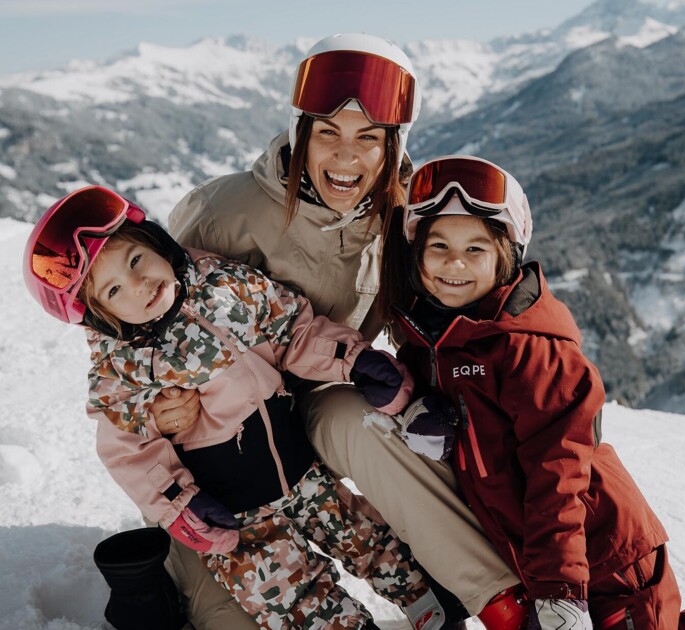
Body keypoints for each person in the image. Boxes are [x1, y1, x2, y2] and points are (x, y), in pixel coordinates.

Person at [164, 33, 520, 628]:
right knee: (225, 617)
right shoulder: (225, 213)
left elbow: (459, 298)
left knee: (362, 421)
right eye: (328, 132)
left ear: (392, 146)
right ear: (302, 134)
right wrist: (165, 403)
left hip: (319, 399)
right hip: (223, 438)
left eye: (368, 138)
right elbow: (137, 321)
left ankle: (495, 596)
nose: (345, 157)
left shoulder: (400, 221)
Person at [390, 154, 685, 630]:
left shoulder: (535, 352)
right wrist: (427, 407)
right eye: (439, 246)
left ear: (505, 257)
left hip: (606, 555)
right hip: (539, 557)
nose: (455, 263)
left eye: (475, 249)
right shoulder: (433, 337)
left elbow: (556, 474)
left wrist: (560, 593)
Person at [21, 185, 449, 629]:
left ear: (156, 242)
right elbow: (130, 451)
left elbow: (292, 330)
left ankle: (428, 606)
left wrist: (353, 360)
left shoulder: (223, 285)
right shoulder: (121, 370)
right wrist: (182, 504)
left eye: (135, 261)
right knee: (295, 597)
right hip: (237, 516)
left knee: (366, 536)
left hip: (302, 471)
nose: (139, 284)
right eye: (114, 290)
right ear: (100, 314)